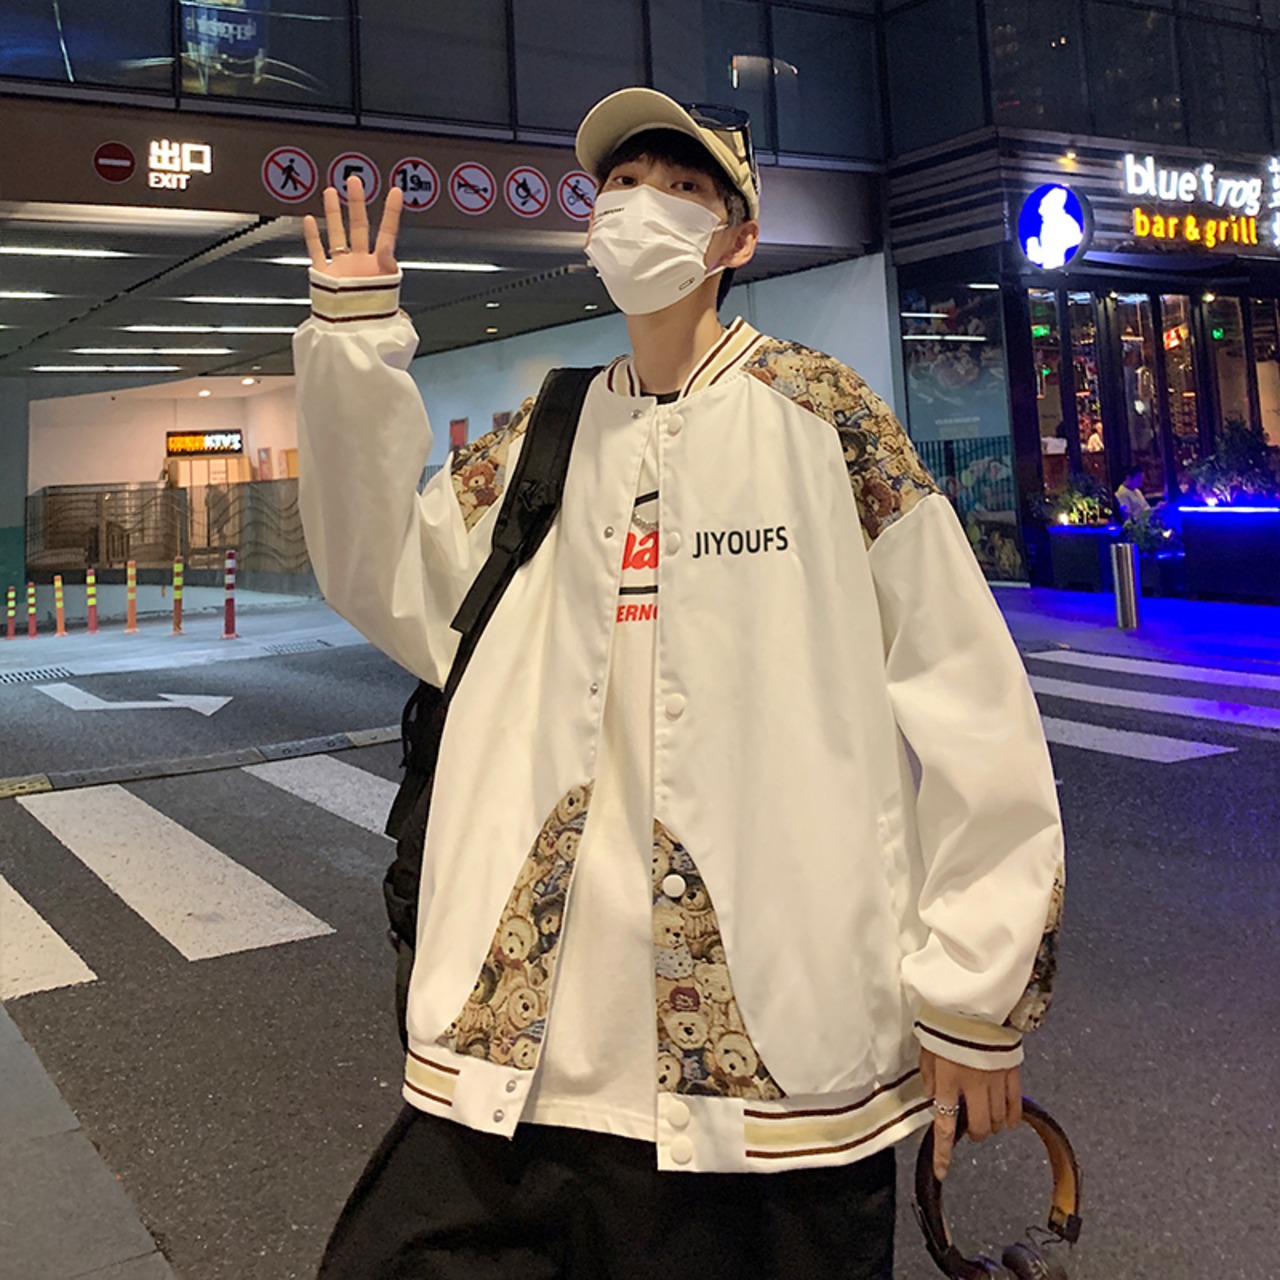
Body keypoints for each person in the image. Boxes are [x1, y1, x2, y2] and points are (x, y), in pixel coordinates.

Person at [294, 88, 1065, 1280]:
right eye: (618, 185)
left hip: (773, 1091)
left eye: (680, 187)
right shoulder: (543, 436)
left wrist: (974, 991)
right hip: (520, 1061)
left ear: (735, 237)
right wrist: (353, 347)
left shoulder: (823, 417)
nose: (639, 207)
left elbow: (969, 694)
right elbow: (387, 576)